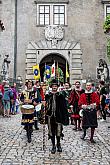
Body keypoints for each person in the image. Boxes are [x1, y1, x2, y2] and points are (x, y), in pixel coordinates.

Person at [45, 79, 69, 154]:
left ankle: (58, 144)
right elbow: (45, 106)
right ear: (51, 87)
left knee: (58, 131)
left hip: (59, 116)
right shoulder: (48, 95)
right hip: (50, 116)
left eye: (55, 86)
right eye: (53, 86)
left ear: (57, 87)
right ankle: (53, 146)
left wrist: (65, 117)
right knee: (51, 131)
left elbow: (64, 107)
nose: (54, 87)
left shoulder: (61, 95)